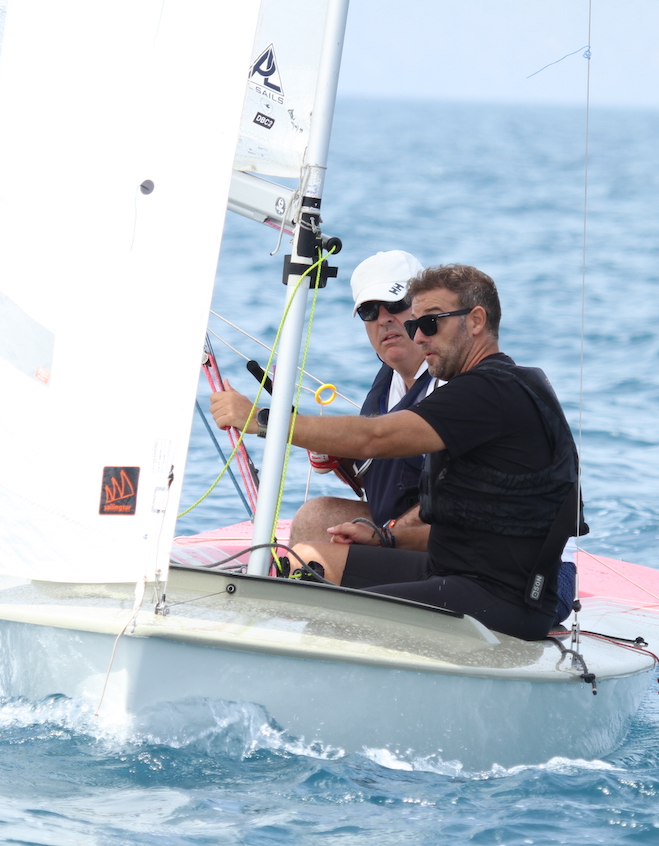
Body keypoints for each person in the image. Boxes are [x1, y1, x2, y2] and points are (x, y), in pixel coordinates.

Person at [211, 264, 587, 641]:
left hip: (504, 597)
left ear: (476, 321)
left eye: (430, 323)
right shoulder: (483, 388)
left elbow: (374, 438)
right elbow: (458, 526)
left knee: (327, 606)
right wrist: (386, 539)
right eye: (416, 325)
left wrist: (263, 420)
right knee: (310, 561)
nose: (419, 337)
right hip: (451, 571)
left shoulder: (489, 392)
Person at [289, 250, 438, 543]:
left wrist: (385, 537)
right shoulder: (388, 377)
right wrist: (339, 456)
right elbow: (386, 479)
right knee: (313, 517)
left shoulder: (449, 381)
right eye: (369, 311)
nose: (383, 319)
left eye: (395, 304)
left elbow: (455, 499)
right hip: (391, 526)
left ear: (423, 306)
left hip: (435, 538)